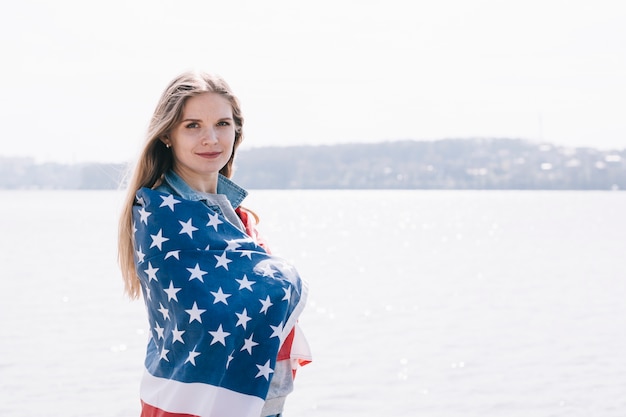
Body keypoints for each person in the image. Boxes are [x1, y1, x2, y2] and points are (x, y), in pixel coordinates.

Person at [118, 71, 311, 417]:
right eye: (193, 125)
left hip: (260, 405)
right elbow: (211, 315)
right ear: (167, 135)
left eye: (222, 123)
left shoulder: (239, 217)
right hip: (198, 406)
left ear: (237, 131)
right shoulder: (161, 214)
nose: (211, 138)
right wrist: (283, 275)